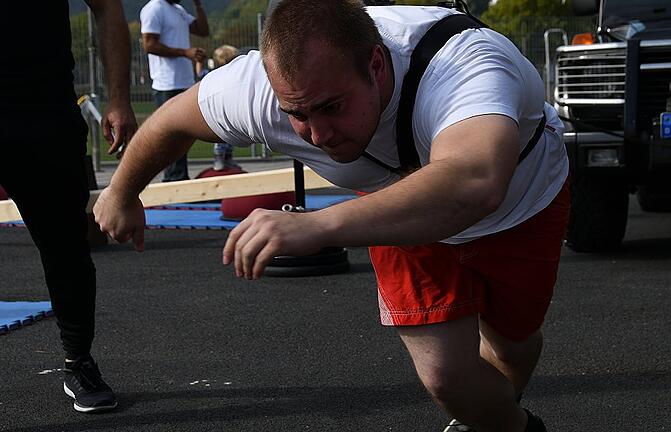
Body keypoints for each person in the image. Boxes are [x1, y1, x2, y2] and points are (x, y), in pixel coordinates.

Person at [94, 1, 570, 430]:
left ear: (377, 64)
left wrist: (319, 225)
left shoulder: (465, 63)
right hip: (396, 210)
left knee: (511, 344)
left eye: (331, 108)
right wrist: (121, 192)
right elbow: (170, 121)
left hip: (519, 204)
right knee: (448, 378)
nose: (317, 134)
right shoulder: (256, 91)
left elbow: (473, 180)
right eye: (298, 113)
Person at [0, 1, 137, 413]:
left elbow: (108, 9)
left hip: (43, 109)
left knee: (65, 249)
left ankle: (78, 362)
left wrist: (118, 98)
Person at [140, 0, 209, 181]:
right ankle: (172, 181)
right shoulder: (154, 8)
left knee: (183, 138)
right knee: (169, 138)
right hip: (166, 84)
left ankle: (179, 179)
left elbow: (202, 30)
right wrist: (185, 53)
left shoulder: (178, 9)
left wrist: (199, 5)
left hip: (183, 82)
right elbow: (149, 45)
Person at [195, 44, 242, 171]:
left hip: (230, 109)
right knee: (221, 135)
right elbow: (201, 74)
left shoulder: (233, 76)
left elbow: (200, 73)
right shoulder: (215, 75)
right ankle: (219, 158)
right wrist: (199, 61)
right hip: (219, 110)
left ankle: (228, 158)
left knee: (231, 135)